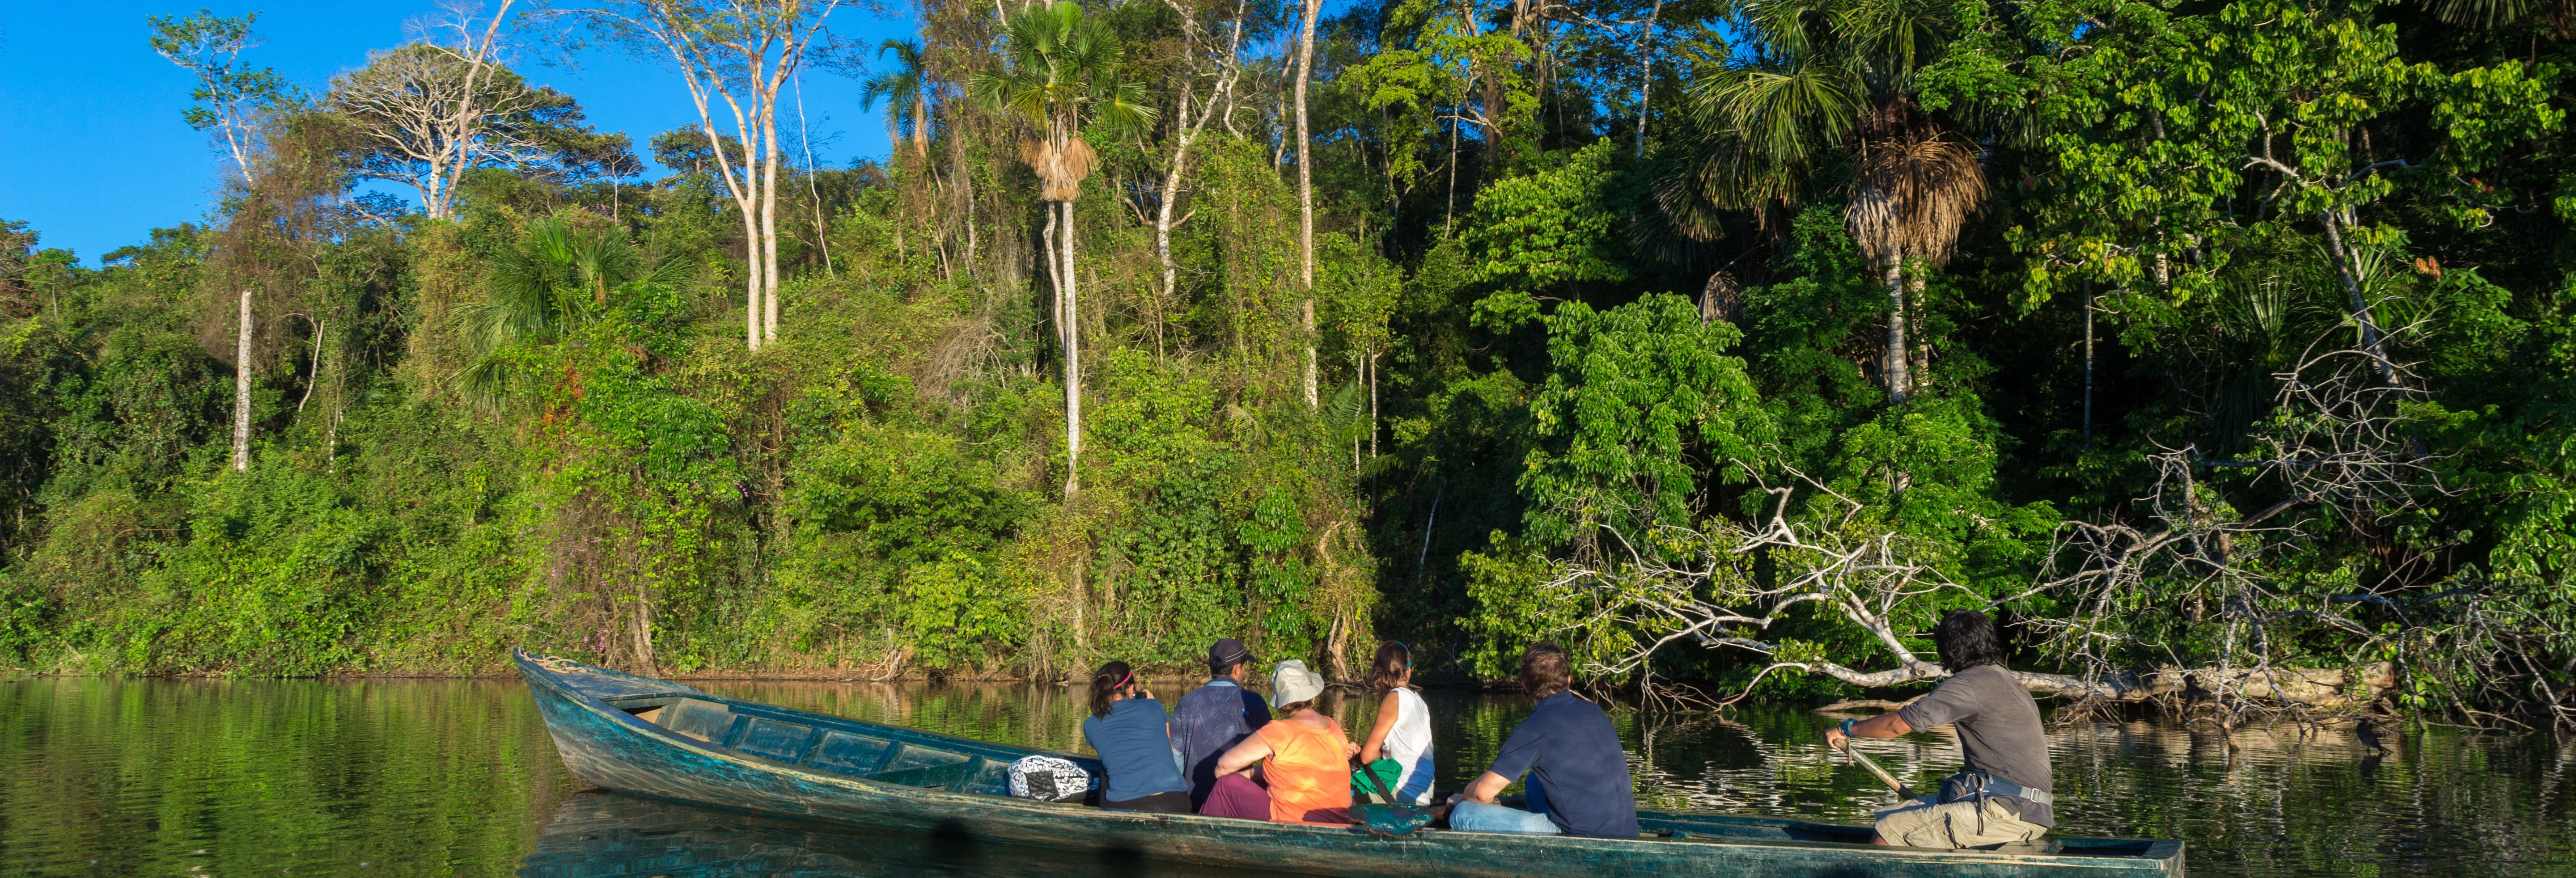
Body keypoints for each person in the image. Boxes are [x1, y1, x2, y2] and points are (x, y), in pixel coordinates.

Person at [1825, 609, 2055, 849]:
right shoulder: (2006, 678)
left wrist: (1847, 730)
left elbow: (1898, 726)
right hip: (2022, 810)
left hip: (2008, 812)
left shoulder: (1968, 684)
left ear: (1948, 649)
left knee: (1890, 831)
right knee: (1887, 816)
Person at [1445, 642, 1637, 838]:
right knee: (1534, 780)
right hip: (1626, 830)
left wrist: (1463, 798)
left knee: (1463, 815)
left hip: (1579, 835)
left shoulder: (1532, 730)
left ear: (1525, 684)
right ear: (1569, 680)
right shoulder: (1594, 710)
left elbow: (1483, 793)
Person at [1204, 659, 1359, 824]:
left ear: (1281, 704)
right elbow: (1302, 770)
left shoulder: (1279, 731)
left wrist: (1247, 775)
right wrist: (1259, 774)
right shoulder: (1335, 728)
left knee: (1227, 784)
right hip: (1341, 820)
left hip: (1292, 820)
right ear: (1313, 697)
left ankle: (1201, 837)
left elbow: (1222, 768)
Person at [1080, 660, 1193, 813]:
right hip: (1176, 801)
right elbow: (1170, 751)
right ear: (1131, 688)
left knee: (1104, 773)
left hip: (1127, 805)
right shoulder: (1154, 706)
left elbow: (1113, 756)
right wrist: (1153, 703)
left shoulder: (1091, 724)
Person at [1172, 637, 1271, 808]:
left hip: (1195, 800)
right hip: (1236, 802)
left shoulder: (1186, 702)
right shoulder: (1253, 701)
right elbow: (1273, 754)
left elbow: (1176, 756)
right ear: (1237, 668)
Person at [1356, 641, 1434, 805]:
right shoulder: (1419, 702)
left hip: (1403, 794)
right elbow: (1382, 755)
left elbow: (1366, 757)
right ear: (1409, 672)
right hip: (1423, 796)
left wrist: (1359, 753)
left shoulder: (1394, 698)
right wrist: (1360, 751)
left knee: (1337, 790)